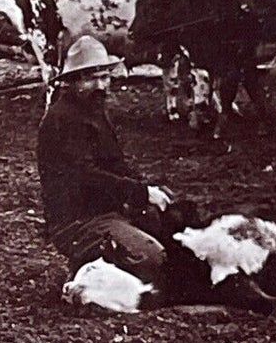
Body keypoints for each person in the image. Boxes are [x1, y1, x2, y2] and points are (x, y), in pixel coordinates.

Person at [36, 36, 177, 278]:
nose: (101, 85)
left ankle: (111, 254)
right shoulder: (63, 119)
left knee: (174, 226)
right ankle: (87, 268)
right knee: (151, 258)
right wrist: (139, 193)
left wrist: (146, 188)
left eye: (105, 77)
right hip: (78, 222)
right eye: (91, 79)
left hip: (109, 210)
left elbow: (115, 163)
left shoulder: (93, 111)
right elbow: (84, 175)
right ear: (72, 82)